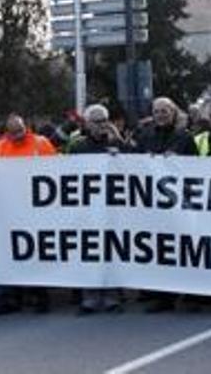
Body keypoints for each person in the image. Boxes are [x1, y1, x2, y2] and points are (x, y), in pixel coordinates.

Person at [0, 114, 57, 314]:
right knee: (11, 254)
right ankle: (10, 300)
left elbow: (57, 171)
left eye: (20, 130)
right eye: (13, 132)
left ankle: (40, 297)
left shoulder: (41, 144)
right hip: (9, 212)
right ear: (6, 132)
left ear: (26, 127)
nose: (17, 135)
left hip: (36, 211)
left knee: (35, 254)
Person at [133, 97, 197, 313]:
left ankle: (186, 290)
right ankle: (161, 295)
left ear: (173, 112)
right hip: (151, 203)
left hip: (177, 202)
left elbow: (196, 167)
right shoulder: (145, 136)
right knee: (159, 249)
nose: (161, 115)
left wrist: (178, 161)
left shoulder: (185, 137)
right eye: (157, 111)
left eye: (165, 111)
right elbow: (133, 163)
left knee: (180, 247)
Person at [70, 104, 127, 315]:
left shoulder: (117, 144)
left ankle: (112, 297)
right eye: (96, 121)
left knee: (112, 250)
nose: (102, 125)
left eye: (104, 120)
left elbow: (137, 166)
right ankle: (90, 298)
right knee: (89, 251)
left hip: (113, 209)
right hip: (88, 210)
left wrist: (120, 147)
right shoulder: (77, 147)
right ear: (86, 124)